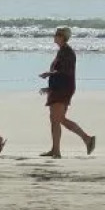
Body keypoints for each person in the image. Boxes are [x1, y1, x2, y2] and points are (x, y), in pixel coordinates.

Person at [38, 26, 95, 157]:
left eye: (57, 34)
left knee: (57, 119)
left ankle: (61, 149)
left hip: (63, 89)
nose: (54, 36)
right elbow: (60, 73)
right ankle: (57, 148)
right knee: (57, 119)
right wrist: (49, 87)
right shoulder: (62, 51)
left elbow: (65, 72)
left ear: (62, 37)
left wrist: (49, 74)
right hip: (58, 88)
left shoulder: (67, 52)